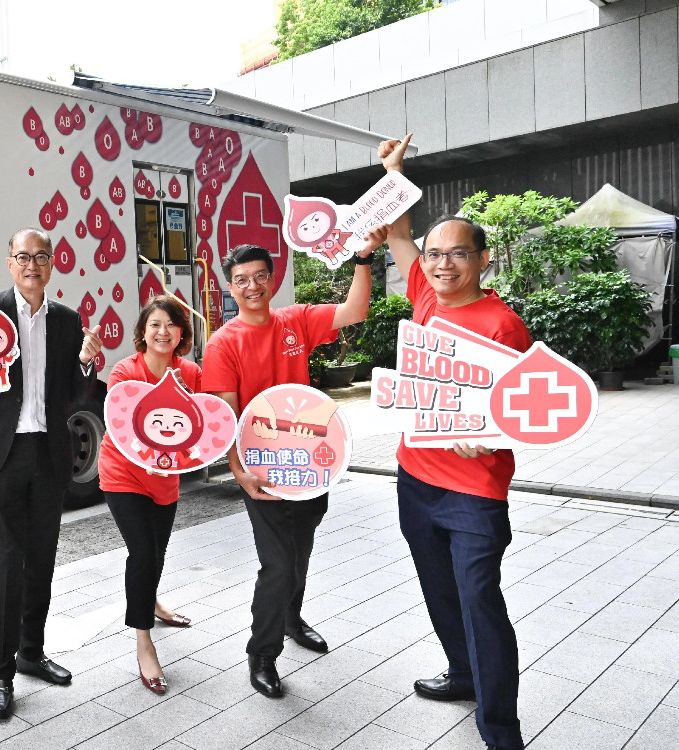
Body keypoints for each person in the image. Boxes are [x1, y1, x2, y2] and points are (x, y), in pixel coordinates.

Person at [379, 135, 528, 750]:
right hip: (416, 480)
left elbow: (522, 411)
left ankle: (500, 729)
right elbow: (395, 238)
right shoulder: (425, 296)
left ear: (483, 259)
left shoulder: (503, 324)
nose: (441, 264)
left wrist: (487, 435)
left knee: (480, 603)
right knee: (438, 592)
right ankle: (463, 675)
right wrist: (393, 174)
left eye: (457, 255)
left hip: (473, 492)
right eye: (435, 254)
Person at [201, 228, 385, 700]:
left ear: (272, 277)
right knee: (278, 564)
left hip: (308, 467)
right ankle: (261, 653)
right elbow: (225, 414)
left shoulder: (295, 321)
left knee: (300, 554)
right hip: (262, 472)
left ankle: (291, 618)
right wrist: (239, 472)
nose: (252, 286)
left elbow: (354, 311)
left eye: (260, 276)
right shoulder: (224, 343)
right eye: (241, 279)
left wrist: (362, 258)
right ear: (231, 286)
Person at [0, 228, 101, 721]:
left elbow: (77, 395)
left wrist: (84, 362)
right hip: (2, 454)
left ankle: (31, 652)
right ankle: (0, 673)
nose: (32, 264)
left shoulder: (67, 320)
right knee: (7, 560)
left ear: (52, 263)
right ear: (8, 263)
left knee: (42, 558)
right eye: (22, 256)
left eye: (40, 256)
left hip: (49, 453)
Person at [97, 296, 201, 695]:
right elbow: (123, 429)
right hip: (123, 472)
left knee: (157, 551)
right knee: (142, 553)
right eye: (154, 324)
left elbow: (204, 423)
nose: (163, 332)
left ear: (181, 333)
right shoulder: (126, 371)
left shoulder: (189, 372)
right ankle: (144, 642)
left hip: (165, 479)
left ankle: (153, 603)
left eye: (171, 325)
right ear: (142, 332)